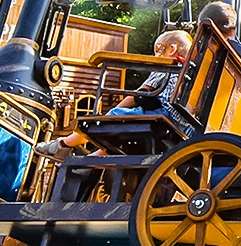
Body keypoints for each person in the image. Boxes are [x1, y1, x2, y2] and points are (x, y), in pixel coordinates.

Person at [36, 29, 192, 159]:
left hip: (163, 116)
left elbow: (139, 94)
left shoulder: (169, 66)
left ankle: (63, 144)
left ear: (172, 49)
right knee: (119, 135)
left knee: (112, 120)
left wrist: (110, 114)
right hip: (186, 127)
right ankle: (94, 157)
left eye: (159, 49)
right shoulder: (191, 74)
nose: (156, 55)